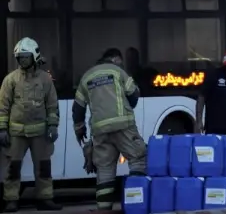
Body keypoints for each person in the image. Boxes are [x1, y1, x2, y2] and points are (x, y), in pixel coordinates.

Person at [73, 48, 148, 211]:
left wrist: (79, 129)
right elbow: (134, 95)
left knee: (105, 170)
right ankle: (136, 204)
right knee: (138, 159)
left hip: (100, 131)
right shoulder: (117, 71)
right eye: (120, 61)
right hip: (124, 127)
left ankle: (104, 208)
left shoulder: (87, 76)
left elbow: (77, 108)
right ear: (114, 59)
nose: (122, 65)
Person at [0, 38, 60, 211]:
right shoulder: (10, 80)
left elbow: (52, 104)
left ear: (35, 56)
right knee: (13, 168)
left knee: (43, 167)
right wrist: (2, 129)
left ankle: (45, 198)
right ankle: (11, 200)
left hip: (40, 133)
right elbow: (3, 107)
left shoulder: (45, 79)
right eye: (19, 57)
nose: (22, 60)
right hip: (16, 133)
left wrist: (53, 126)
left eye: (25, 57)